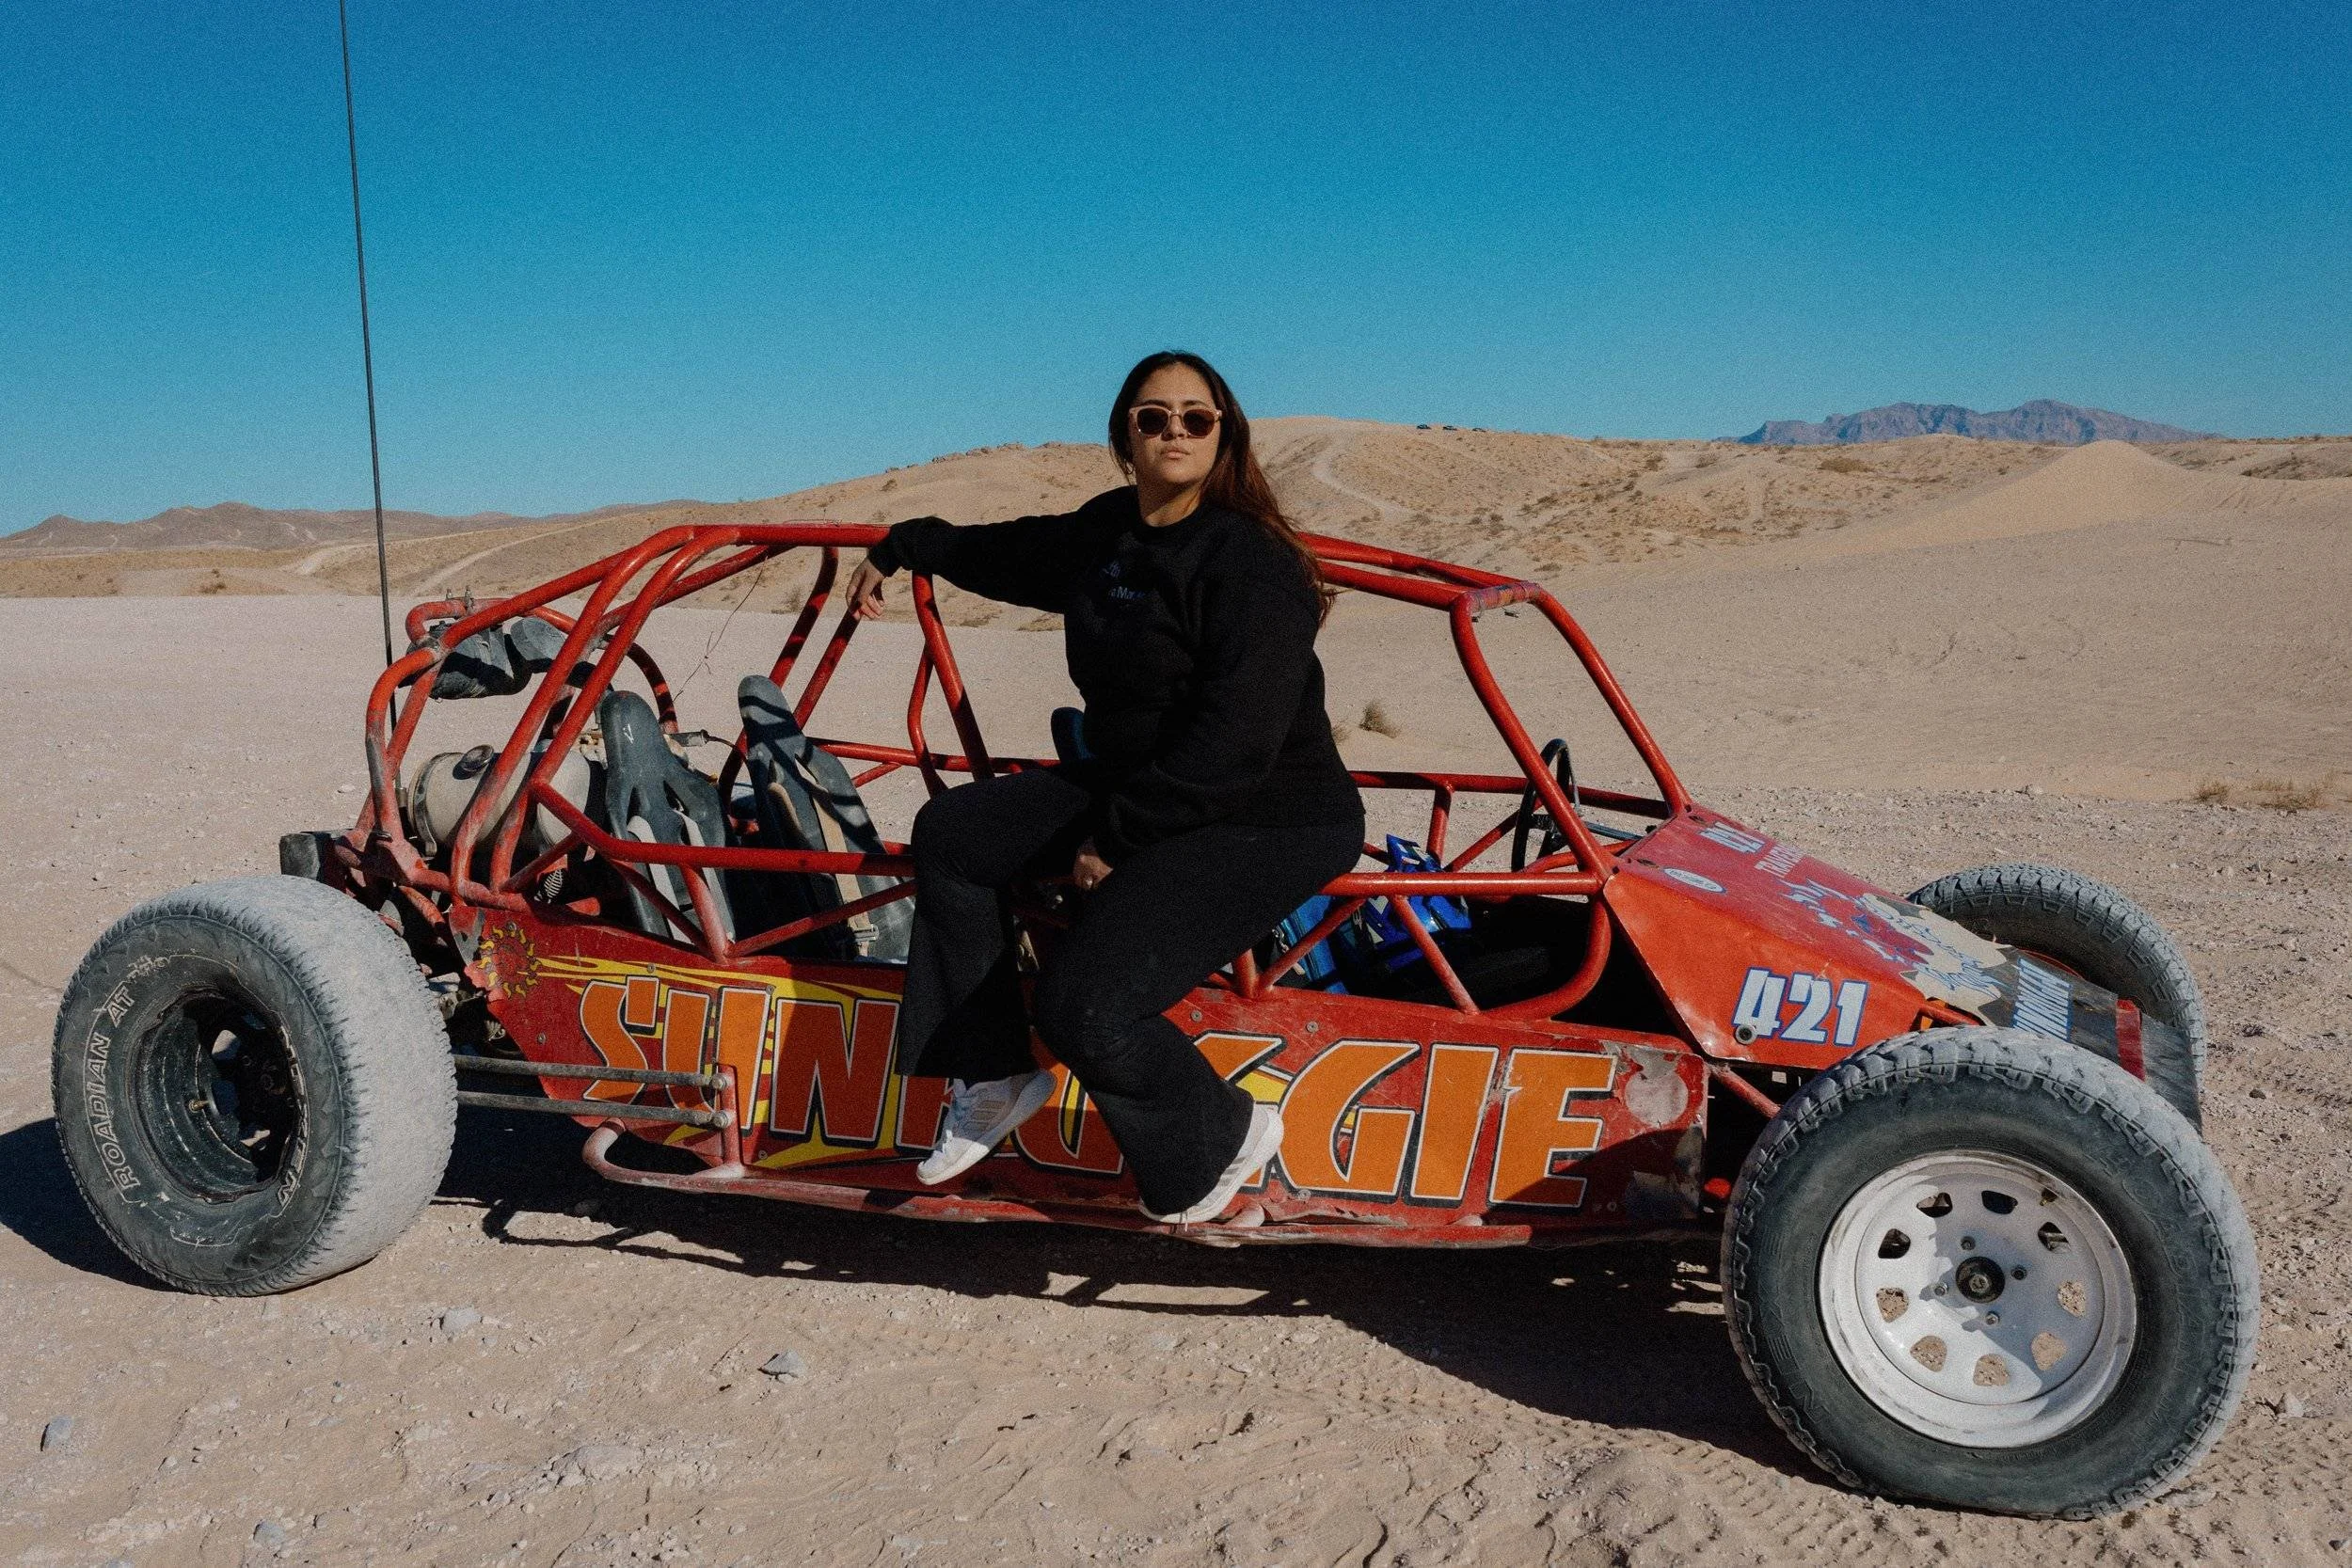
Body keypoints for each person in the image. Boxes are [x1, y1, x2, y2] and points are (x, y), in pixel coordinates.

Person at [845, 351, 1364, 1224]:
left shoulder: (1251, 562)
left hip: (1268, 813)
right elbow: (1007, 551)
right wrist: (902, 544)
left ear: (1224, 435)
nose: (1173, 432)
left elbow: (1236, 742)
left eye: (1195, 419)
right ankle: (993, 1072)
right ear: (1124, 433)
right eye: (1152, 417)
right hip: (1141, 784)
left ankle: (1225, 1129)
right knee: (955, 836)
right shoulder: (1108, 532)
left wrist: (1114, 841)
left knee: (1085, 1005)